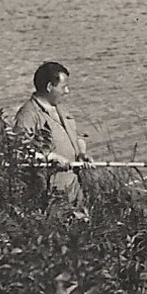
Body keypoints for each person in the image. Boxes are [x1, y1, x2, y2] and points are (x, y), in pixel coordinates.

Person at [13, 61, 90, 203]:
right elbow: (18, 152)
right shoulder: (28, 114)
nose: (67, 92)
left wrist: (81, 153)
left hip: (76, 191)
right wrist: (49, 156)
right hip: (52, 197)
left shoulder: (61, 108)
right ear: (49, 87)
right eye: (64, 87)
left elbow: (75, 136)